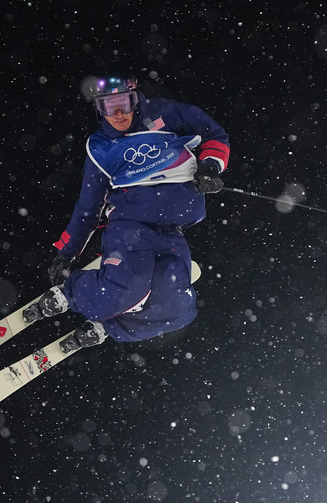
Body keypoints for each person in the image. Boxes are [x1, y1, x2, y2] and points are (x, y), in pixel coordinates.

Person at [24, 73, 230, 352]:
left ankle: (110, 327)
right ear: (100, 110)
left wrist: (210, 166)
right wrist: (67, 252)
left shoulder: (166, 113)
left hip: (172, 231)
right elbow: (88, 207)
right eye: (109, 107)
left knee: (178, 308)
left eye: (124, 103)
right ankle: (70, 293)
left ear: (136, 99)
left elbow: (214, 133)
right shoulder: (101, 147)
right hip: (131, 228)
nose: (119, 113)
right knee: (123, 291)